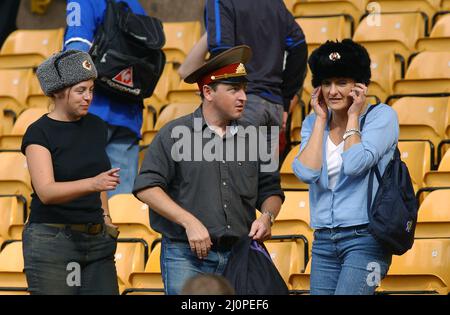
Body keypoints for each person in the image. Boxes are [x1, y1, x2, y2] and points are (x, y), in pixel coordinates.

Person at [133, 46, 284, 295]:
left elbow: (271, 190)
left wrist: (267, 216)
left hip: (240, 255)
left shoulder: (256, 137)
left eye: (244, 89)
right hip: (186, 255)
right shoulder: (173, 133)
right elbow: (147, 187)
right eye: (234, 89)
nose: (243, 97)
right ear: (207, 92)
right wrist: (190, 222)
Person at [292, 39, 398, 295]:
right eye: (326, 83)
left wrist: (353, 117)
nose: (333, 91)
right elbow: (306, 172)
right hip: (324, 241)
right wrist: (319, 121)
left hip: (367, 240)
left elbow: (355, 164)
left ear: (359, 86)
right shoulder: (311, 123)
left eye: (342, 82)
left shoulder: (381, 116)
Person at [21, 50, 120, 295]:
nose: (88, 97)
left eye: (91, 89)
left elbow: (101, 179)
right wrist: (93, 184)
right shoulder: (39, 132)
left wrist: (106, 218)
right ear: (58, 92)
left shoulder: (96, 126)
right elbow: (46, 192)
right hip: (52, 240)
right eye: (80, 90)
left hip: (96, 239)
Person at [182, 0, 308, 135]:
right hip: (274, 106)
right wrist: (285, 100)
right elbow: (299, 47)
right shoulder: (275, 3)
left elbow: (222, 52)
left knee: (227, 155)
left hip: (243, 105)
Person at [64, 0, 147, 197]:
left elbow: (77, 52)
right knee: (121, 205)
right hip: (128, 114)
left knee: (84, 203)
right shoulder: (135, 5)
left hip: (90, 111)